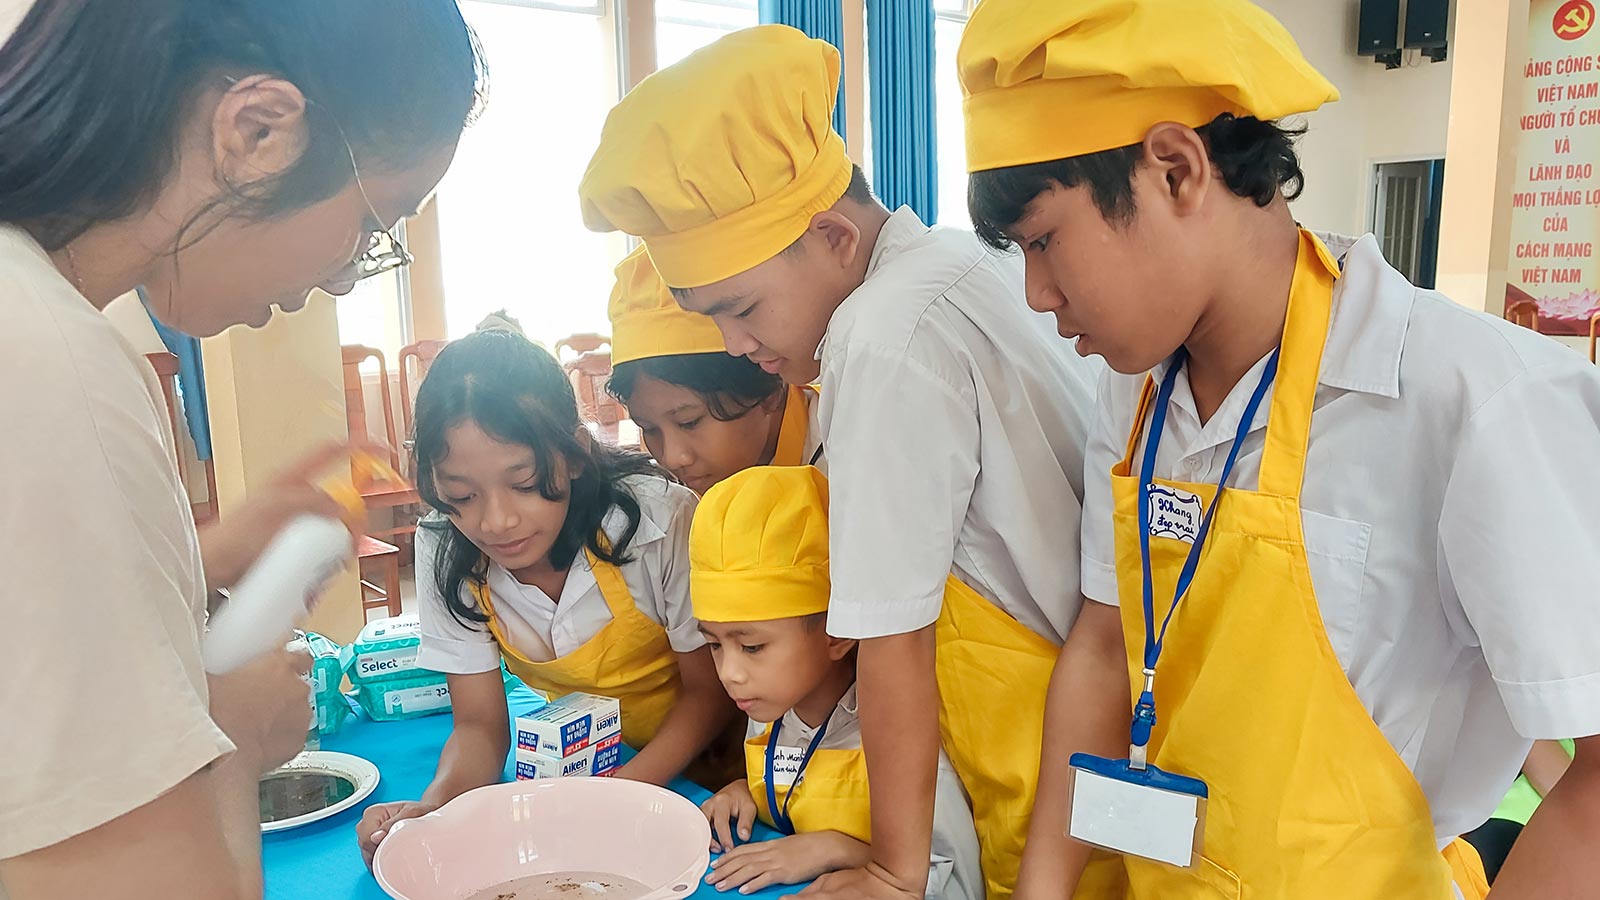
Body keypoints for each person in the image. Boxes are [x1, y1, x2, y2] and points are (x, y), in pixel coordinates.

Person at [958, 1, 1600, 897]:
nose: (1035, 295)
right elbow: (1106, 644)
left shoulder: (1477, 402)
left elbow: (1592, 781)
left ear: (1177, 170)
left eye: (1044, 242)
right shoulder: (1136, 390)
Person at [579, 25, 1099, 900]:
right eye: (712, 320)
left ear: (832, 237)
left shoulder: (882, 335)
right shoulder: (952, 261)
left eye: (741, 309)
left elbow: (891, 631)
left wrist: (896, 872)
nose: (737, 346)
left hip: (1031, 721)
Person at [0, 2, 481, 898]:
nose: (345, 274)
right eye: (378, 223)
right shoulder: (51, 357)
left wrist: (199, 566)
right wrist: (234, 741)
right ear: (257, 129)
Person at [355, 331, 738, 866]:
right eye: (461, 495)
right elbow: (479, 726)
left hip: (714, 771)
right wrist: (436, 809)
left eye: (525, 482)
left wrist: (618, 796)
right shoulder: (447, 546)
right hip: (596, 766)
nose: (496, 521)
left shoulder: (656, 522)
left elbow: (709, 694)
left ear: (575, 456)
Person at [691, 466, 981, 900]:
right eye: (714, 645)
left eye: (751, 647)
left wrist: (836, 850)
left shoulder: (908, 741)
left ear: (838, 633)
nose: (729, 672)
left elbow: (956, 884)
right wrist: (745, 793)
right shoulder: (770, 706)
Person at [604, 246, 821, 496]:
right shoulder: (670, 497)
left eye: (690, 422)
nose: (673, 458)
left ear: (770, 390)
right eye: (649, 429)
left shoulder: (841, 459)